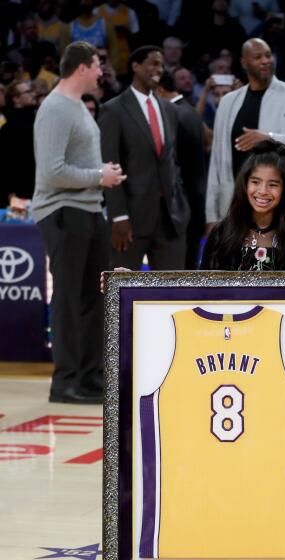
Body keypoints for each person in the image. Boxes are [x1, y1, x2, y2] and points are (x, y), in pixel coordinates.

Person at [32, 41, 126, 404]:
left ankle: (89, 377)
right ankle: (66, 381)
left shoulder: (75, 107)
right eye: (98, 65)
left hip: (87, 210)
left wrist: (100, 178)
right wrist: (98, 175)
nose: (102, 72)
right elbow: (53, 172)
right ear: (83, 67)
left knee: (92, 299)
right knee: (69, 300)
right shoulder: (55, 108)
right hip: (63, 210)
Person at [206, 38, 285, 224]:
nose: (265, 60)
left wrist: (271, 139)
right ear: (244, 62)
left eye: (268, 55)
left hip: (284, 208)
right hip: (236, 207)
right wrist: (212, 214)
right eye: (258, 57)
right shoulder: (228, 102)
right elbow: (217, 163)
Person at [99, 45, 190, 270]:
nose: (159, 69)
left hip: (170, 219)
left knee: (172, 297)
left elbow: (171, 161)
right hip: (130, 219)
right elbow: (110, 166)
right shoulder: (113, 109)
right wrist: (118, 216)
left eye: (161, 64)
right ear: (136, 66)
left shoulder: (170, 110)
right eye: (153, 63)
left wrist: (181, 205)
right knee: (120, 294)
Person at [201, 141, 285, 271]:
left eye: (273, 184)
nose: (262, 191)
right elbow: (203, 286)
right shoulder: (221, 233)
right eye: (255, 182)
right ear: (244, 184)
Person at [157, 70, 208, 269]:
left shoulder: (175, 115)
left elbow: (174, 166)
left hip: (182, 205)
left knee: (181, 270)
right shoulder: (189, 111)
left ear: (159, 90)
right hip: (195, 200)